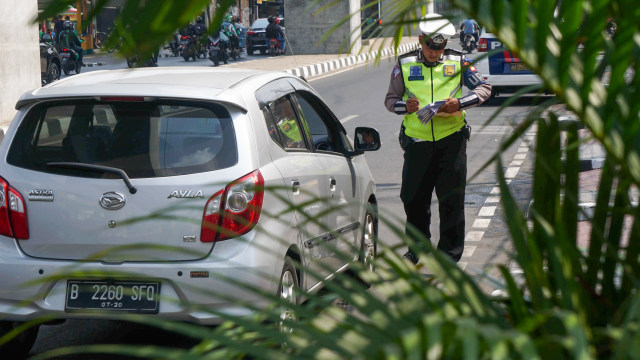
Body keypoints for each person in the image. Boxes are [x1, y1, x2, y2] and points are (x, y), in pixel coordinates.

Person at [384, 13, 492, 265]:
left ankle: (449, 256)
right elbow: (390, 101)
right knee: (413, 198)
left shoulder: (459, 61)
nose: (435, 52)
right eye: (430, 46)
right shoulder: (404, 64)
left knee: (451, 200)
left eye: (440, 47)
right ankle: (418, 248)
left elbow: (484, 89)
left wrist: (460, 103)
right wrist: (405, 107)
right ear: (421, 40)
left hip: (451, 141)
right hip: (417, 144)